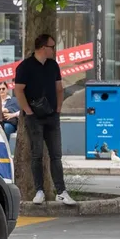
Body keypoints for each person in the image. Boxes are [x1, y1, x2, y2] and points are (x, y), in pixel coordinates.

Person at [13, 34, 72, 205]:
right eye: (52, 46)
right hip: (35, 117)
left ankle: (61, 191)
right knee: (37, 154)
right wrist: (28, 111)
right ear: (42, 48)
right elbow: (18, 90)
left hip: (52, 115)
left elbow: (59, 88)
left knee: (56, 155)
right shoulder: (25, 66)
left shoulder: (53, 65)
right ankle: (39, 191)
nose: (54, 50)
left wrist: (59, 108)